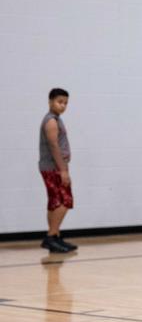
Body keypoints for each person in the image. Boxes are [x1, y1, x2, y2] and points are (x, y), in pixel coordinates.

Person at [39, 88, 77, 253]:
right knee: (64, 201)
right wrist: (63, 171)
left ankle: (55, 237)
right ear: (50, 101)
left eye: (65, 103)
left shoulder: (56, 119)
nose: (63, 105)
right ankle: (50, 236)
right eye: (59, 102)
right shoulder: (51, 121)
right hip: (53, 168)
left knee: (54, 202)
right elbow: (54, 147)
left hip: (56, 167)